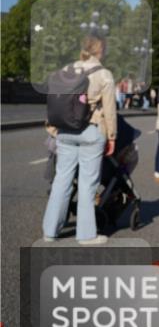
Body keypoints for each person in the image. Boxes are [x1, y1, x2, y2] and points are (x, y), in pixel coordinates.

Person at [43, 34, 118, 245]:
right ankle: (86, 235)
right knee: (87, 184)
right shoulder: (104, 74)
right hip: (91, 131)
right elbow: (110, 110)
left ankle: (50, 231)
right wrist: (112, 136)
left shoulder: (66, 70)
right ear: (100, 50)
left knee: (61, 180)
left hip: (65, 131)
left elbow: (55, 100)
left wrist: (53, 128)